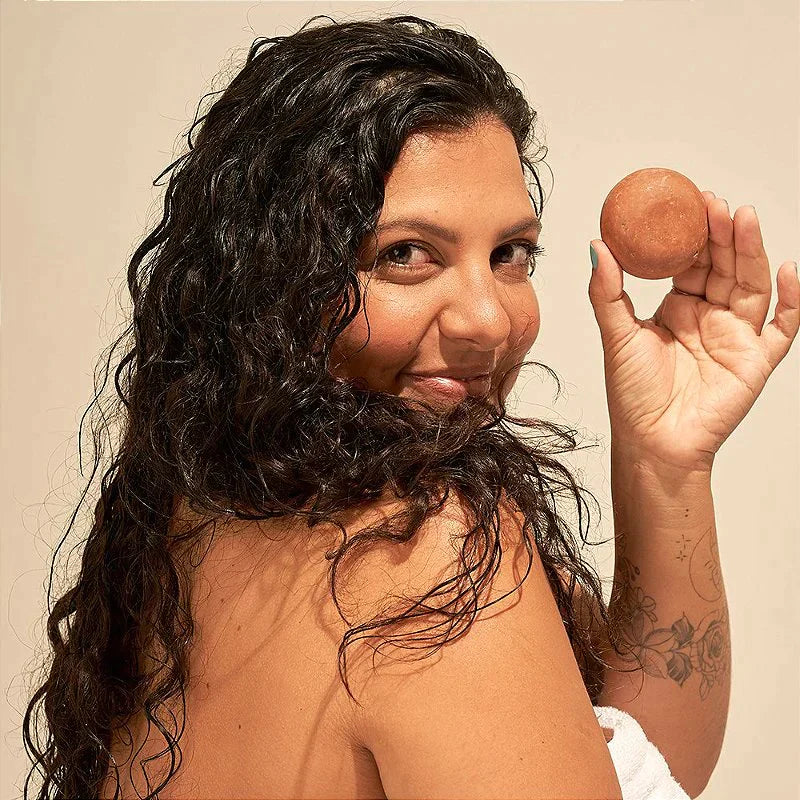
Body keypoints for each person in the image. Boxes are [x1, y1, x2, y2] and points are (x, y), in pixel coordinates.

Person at [21, 14, 799, 800]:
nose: (488, 320)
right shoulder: (428, 551)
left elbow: (638, 762)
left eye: (510, 254)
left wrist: (667, 459)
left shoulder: (187, 523)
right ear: (275, 275)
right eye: (405, 254)